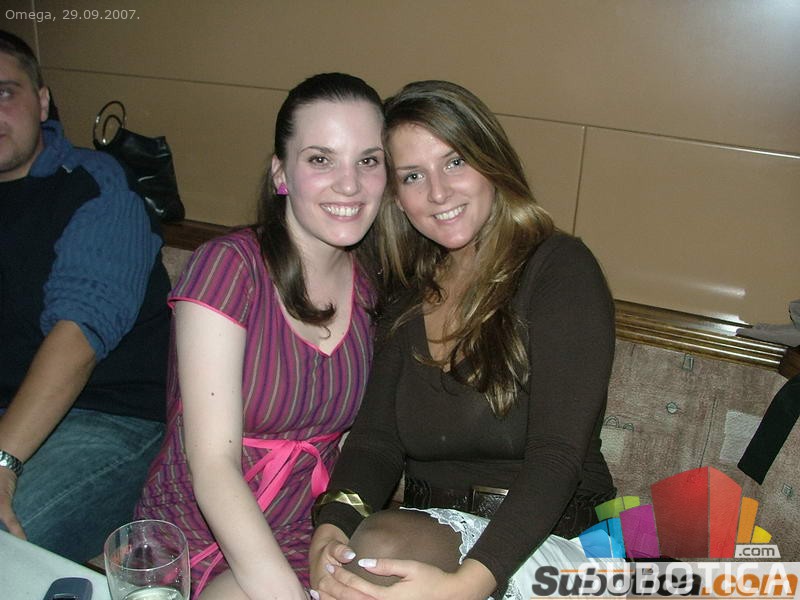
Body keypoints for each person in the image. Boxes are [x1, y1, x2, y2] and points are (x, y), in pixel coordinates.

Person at [309, 80, 618, 600]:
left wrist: (468, 584)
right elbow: (376, 442)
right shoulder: (407, 291)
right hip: (425, 535)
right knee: (363, 561)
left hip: (555, 541)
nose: (438, 193)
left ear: (491, 162)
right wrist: (332, 526)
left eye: (454, 162)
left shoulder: (560, 268)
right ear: (396, 197)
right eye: (413, 175)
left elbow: (557, 458)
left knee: (381, 553)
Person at [135, 72, 387, 600]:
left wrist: (337, 535)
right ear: (280, 173)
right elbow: (212, 465)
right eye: (321, 159)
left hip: (303, 534)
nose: (350, 184)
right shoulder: (229, 268)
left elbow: (358, 447)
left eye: (368, 160)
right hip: (200, 537)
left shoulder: (373, 287)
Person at [0, 30, 169, 562]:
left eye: (5, 92)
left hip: (112, 417)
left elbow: (79, 335)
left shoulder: (95, 185)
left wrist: (2, 461)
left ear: (42, 101)